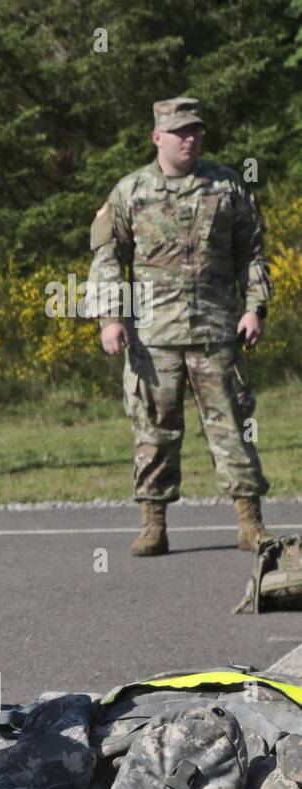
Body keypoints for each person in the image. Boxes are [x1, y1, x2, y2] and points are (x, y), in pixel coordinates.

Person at [88, 97, 273, 558]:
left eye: (195, 131)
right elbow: (108, 259)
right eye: (179, 132)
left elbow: (251, 251)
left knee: (232, 429)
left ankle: (250, 523)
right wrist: (111, 318)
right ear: (158, 137)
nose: (189, 139)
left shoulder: (226, 186)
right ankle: (154, 524)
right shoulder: (130, 192)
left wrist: (256, 308)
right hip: (154, 339)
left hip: (216, 333)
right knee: (154, 432)